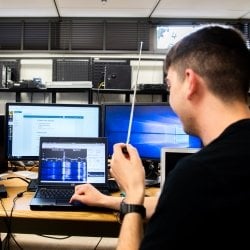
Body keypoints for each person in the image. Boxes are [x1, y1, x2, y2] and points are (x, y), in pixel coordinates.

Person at [70, 24, 250, 248]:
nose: (170, 97)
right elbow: (181, 203)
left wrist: (134, 195)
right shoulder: (209, 180)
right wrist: (106, 200)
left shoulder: (198, 174)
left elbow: (188, 193)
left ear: (190, 83)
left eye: (169, 85)